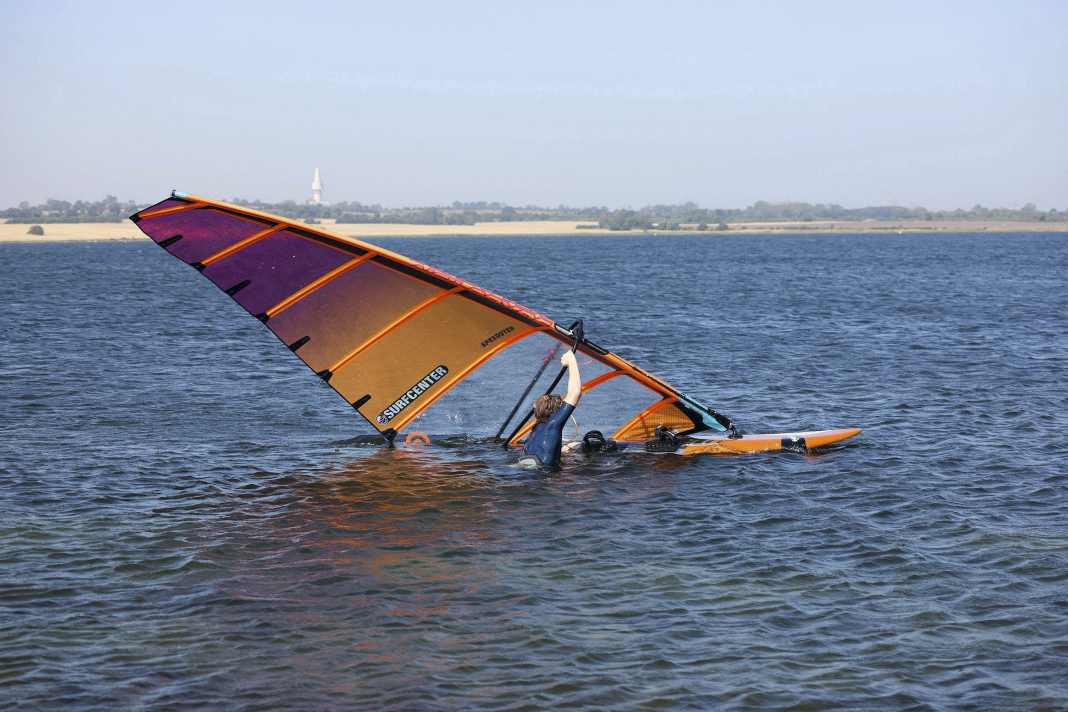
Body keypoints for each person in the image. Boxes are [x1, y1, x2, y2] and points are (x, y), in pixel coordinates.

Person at [518, 351, 581, 468]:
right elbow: (575, 393)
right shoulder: (553, 424)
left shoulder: (534, 431)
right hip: (544, 477)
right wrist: (571, 360)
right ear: (557, 413)